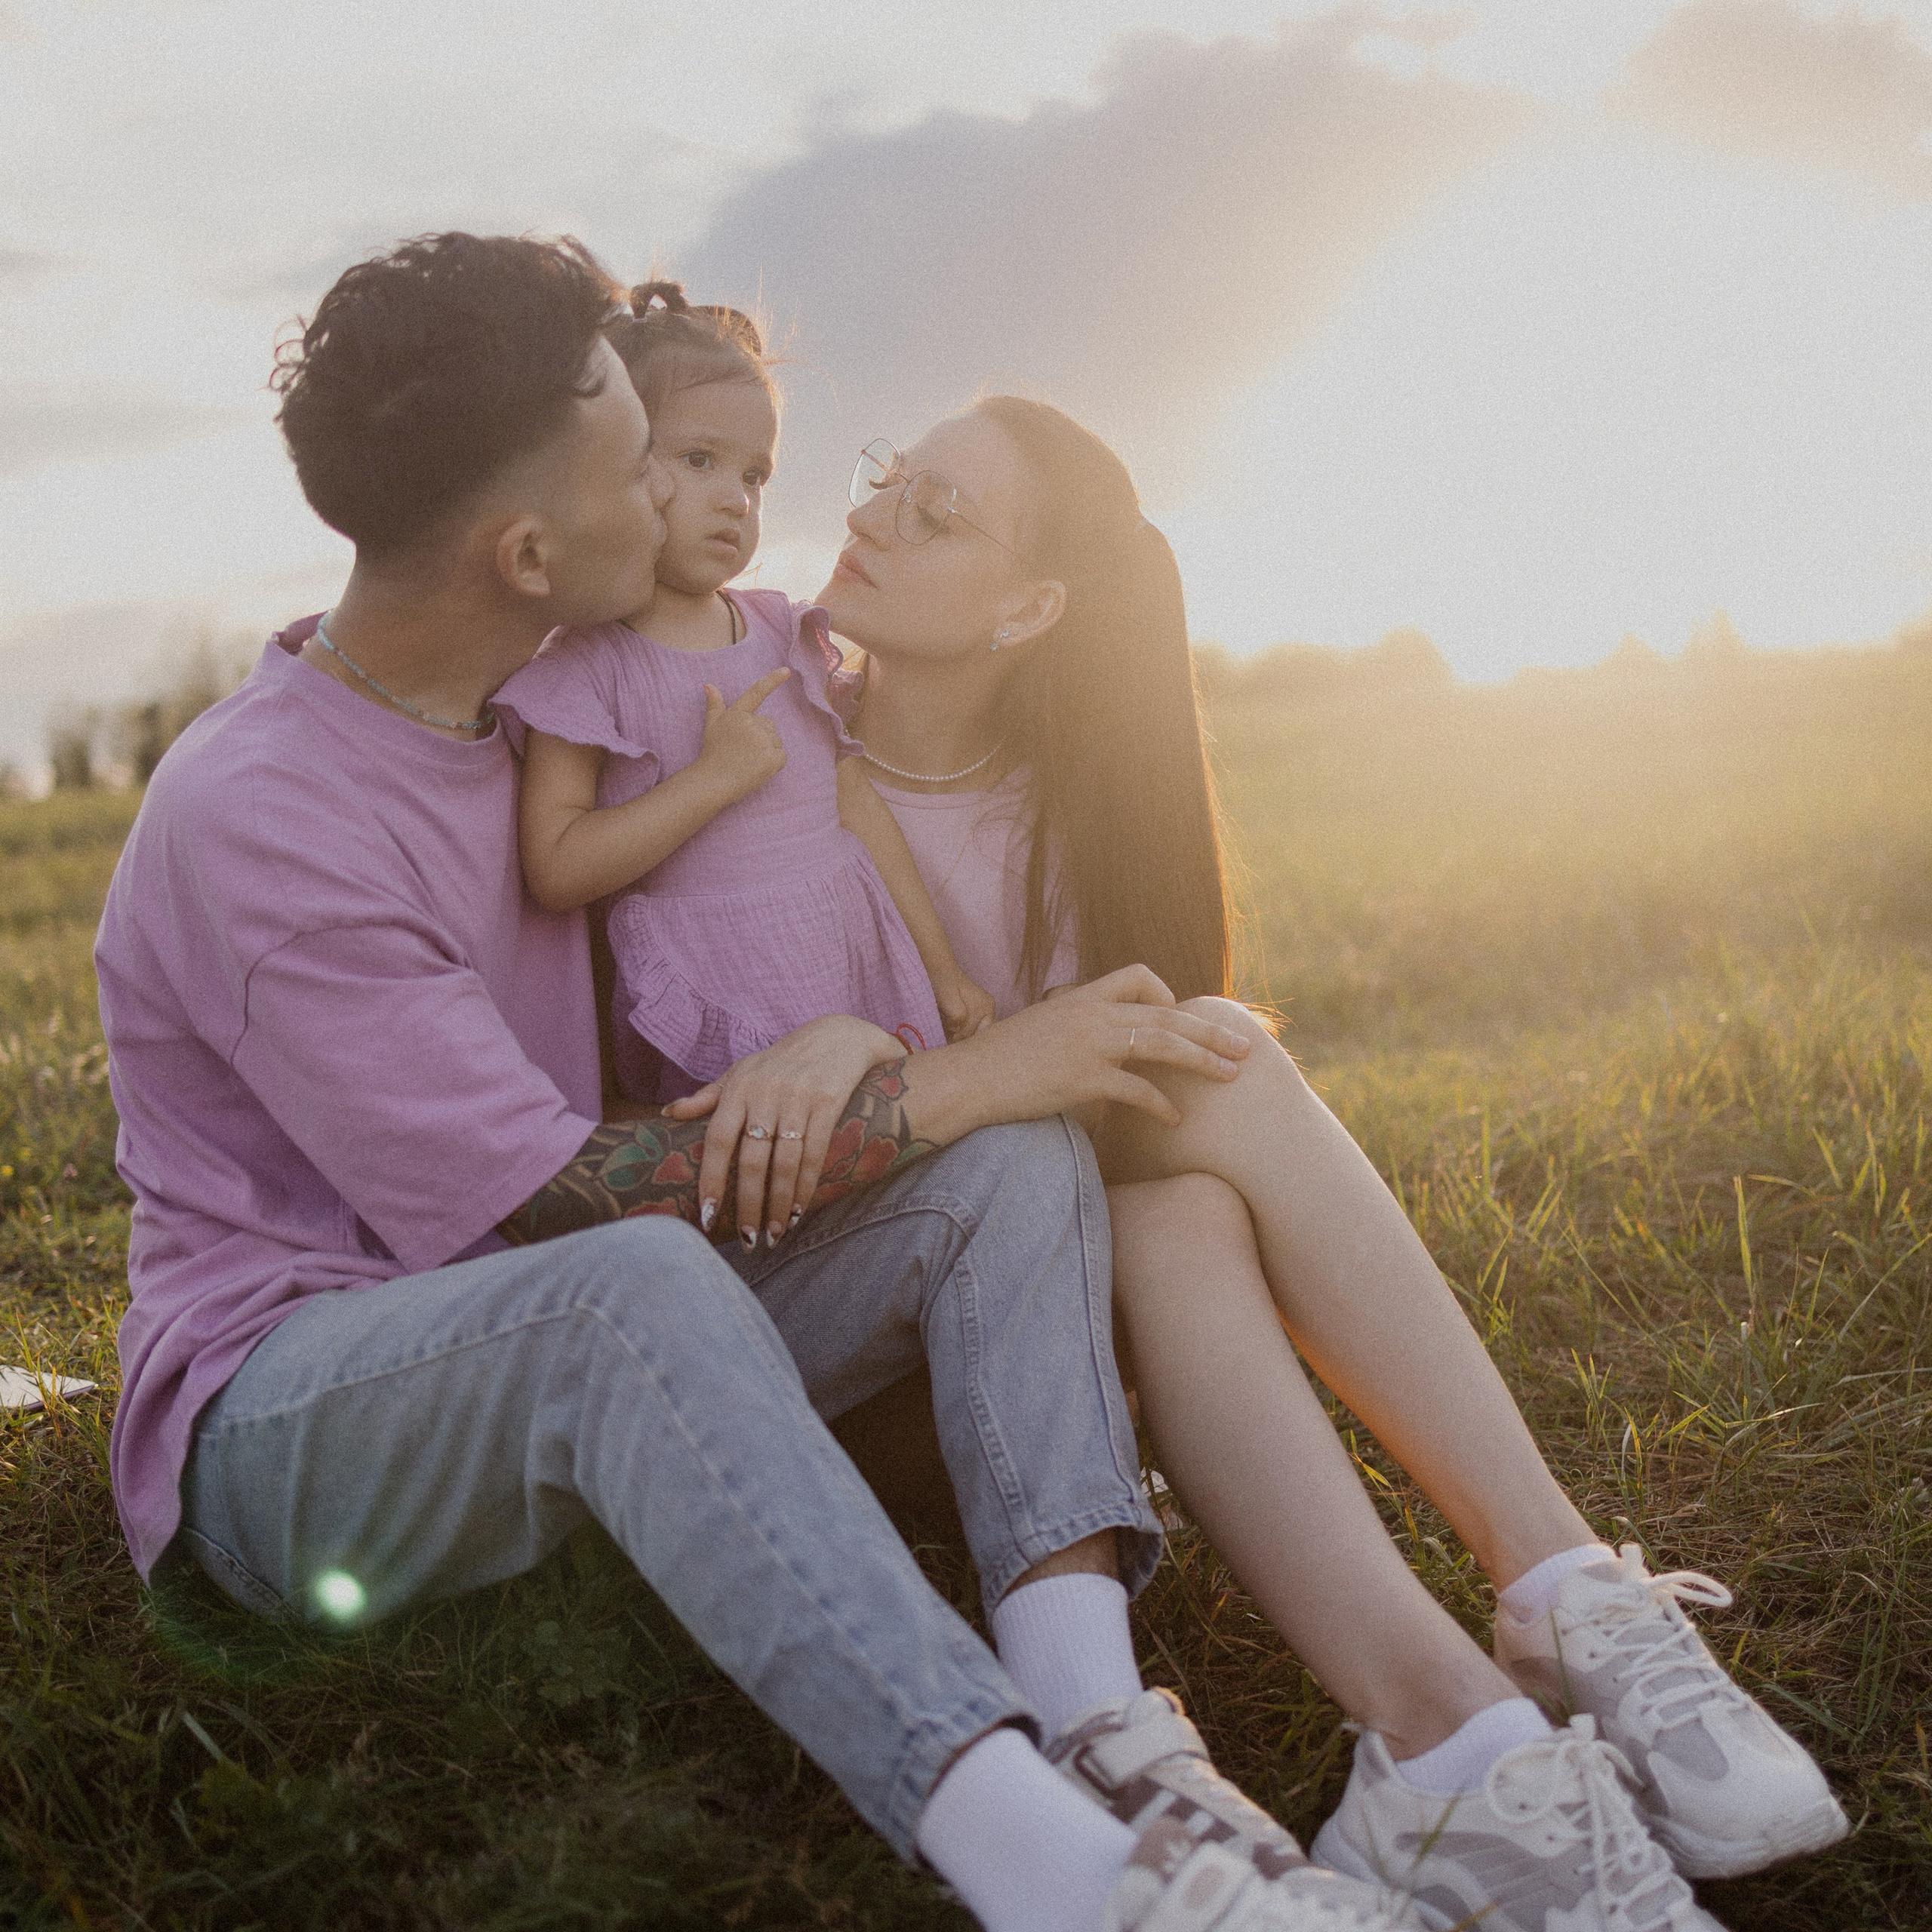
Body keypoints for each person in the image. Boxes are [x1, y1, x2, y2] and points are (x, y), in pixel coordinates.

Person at [94, 232, 1434, 1932]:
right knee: (639, 1274)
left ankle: (1104, 1722)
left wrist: (891, 1034)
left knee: (1007, 1171)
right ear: (528, 550)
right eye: (638, 457)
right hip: (294, 1405)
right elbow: (558, 1202)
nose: (688, 490)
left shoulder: (532, 713)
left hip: (565, 1312)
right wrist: (968, 1067)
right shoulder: (265, 813)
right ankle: (1069, 1873)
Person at [811, 398, 1849, 1932]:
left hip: (1069, 1316)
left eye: (937, 511)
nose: (876, 514)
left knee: (1183, 1189)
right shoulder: (761, 766)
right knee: (1209, 1069)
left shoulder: (1063, 814)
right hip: (874, 1328)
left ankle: (1467, 1707)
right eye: (889, 480)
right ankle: (1553, 1591)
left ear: (1031, 607)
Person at [498, 281, 992, 1132]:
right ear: (611, 460)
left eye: (755, 474)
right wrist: (709, 782)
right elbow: (557, 866)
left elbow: (853, 803)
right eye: (699, 462)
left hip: (843, 952)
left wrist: (942, 967)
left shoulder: (780, 631)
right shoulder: (586, 663)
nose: (736, 497)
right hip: (718, 987)